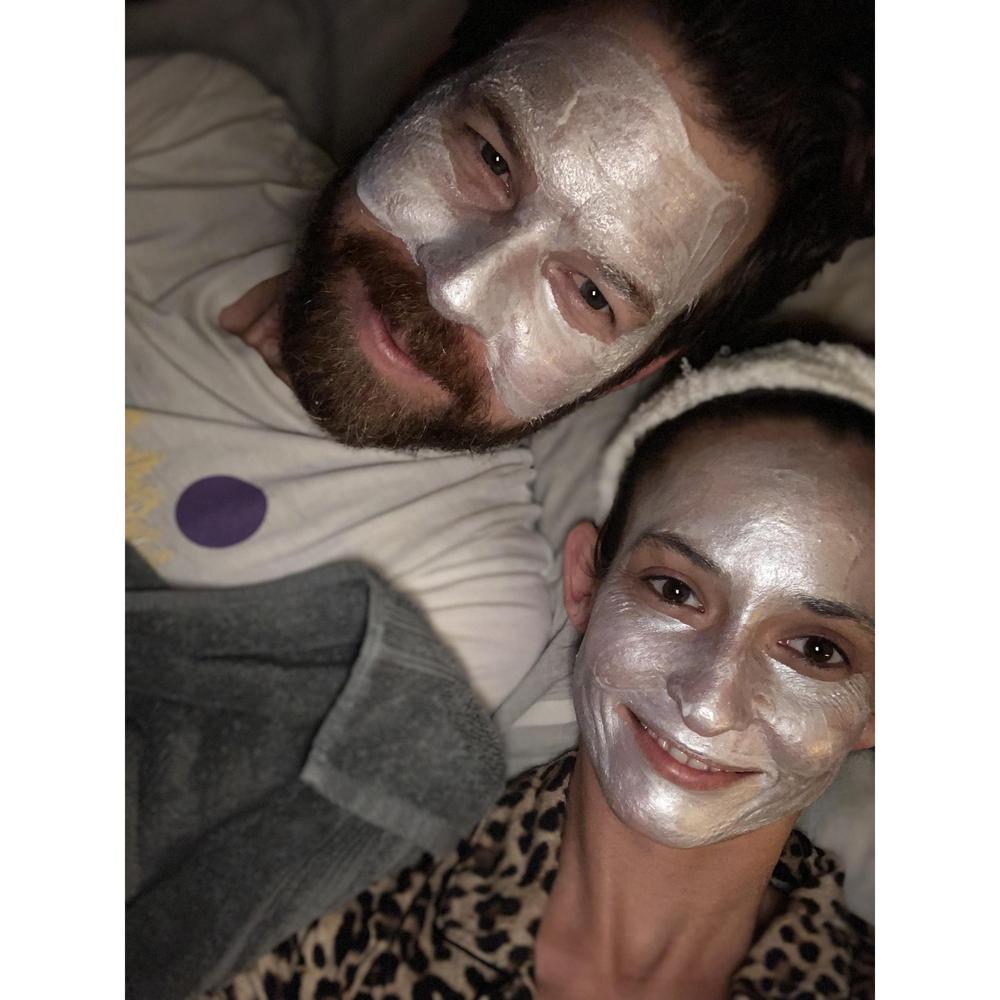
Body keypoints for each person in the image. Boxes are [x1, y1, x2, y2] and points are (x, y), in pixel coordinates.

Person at [204, 336, 875, 999]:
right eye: (675, 591)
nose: (708, 703)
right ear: (585, 582)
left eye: (817, 650)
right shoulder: (319, 903)